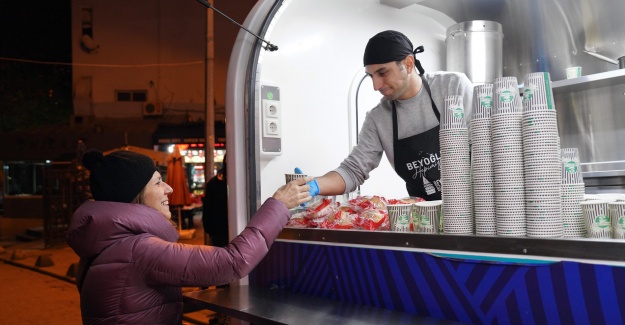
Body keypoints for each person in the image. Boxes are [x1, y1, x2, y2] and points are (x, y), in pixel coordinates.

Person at [66, 149, 312, 324]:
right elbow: (231, 262)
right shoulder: (138, 250)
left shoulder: (102, 246)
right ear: (137, 195)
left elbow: (133, 303)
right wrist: (279, 204)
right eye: (158, 182)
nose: (169, 188)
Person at [303, 30, 473, 201]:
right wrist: (314, 186)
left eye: (383, 73)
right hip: (426, 220)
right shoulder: (378, 119)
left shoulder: (453, 87)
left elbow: (484, 146)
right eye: (371, 76)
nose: (376, 86)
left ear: (408, 63)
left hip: (477, 210)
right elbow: (353, 170)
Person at [202, 158, 228, 247]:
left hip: (218, 230)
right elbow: (207, 208)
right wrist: (210, 230)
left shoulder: (244, 180)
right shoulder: (214, 183)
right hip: (218, 231)